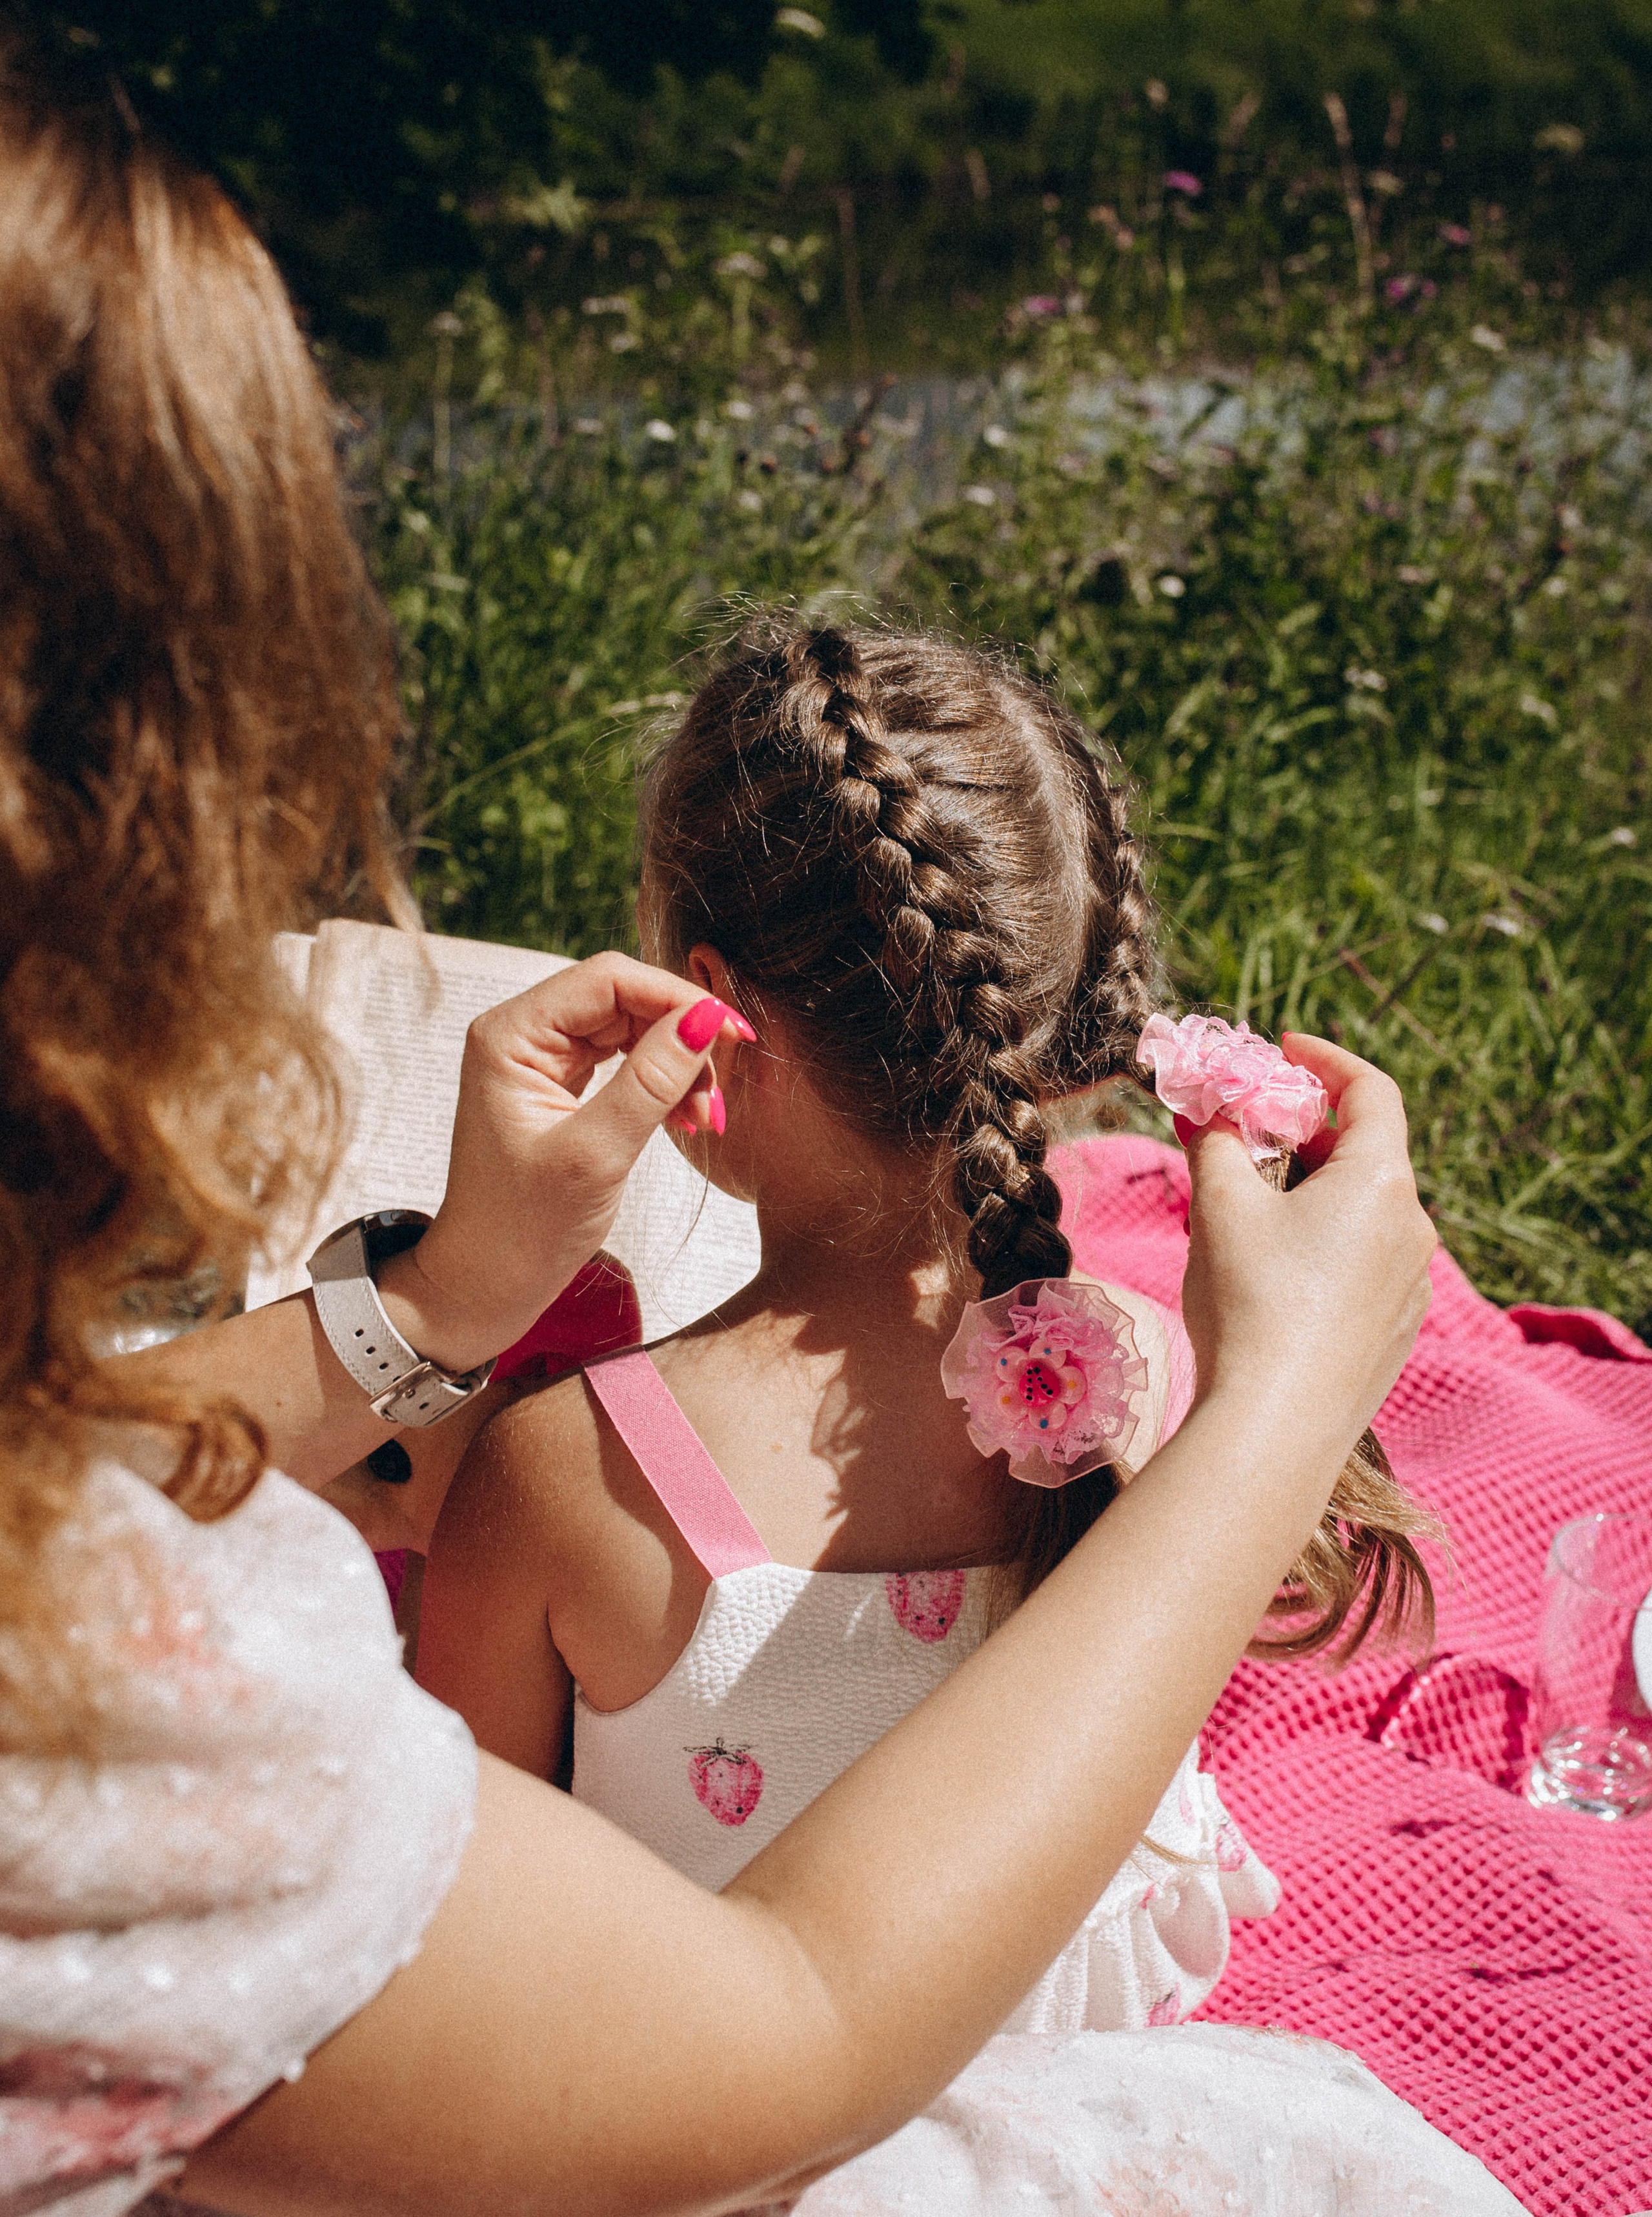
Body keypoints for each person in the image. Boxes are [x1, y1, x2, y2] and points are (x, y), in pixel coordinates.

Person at [0, 37, 1453, 2217]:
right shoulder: (1139, 1392)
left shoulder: (569, 1473)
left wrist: (434, 1313)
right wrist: (1278, 1413)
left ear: (718, 1029)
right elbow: (779, 2032)